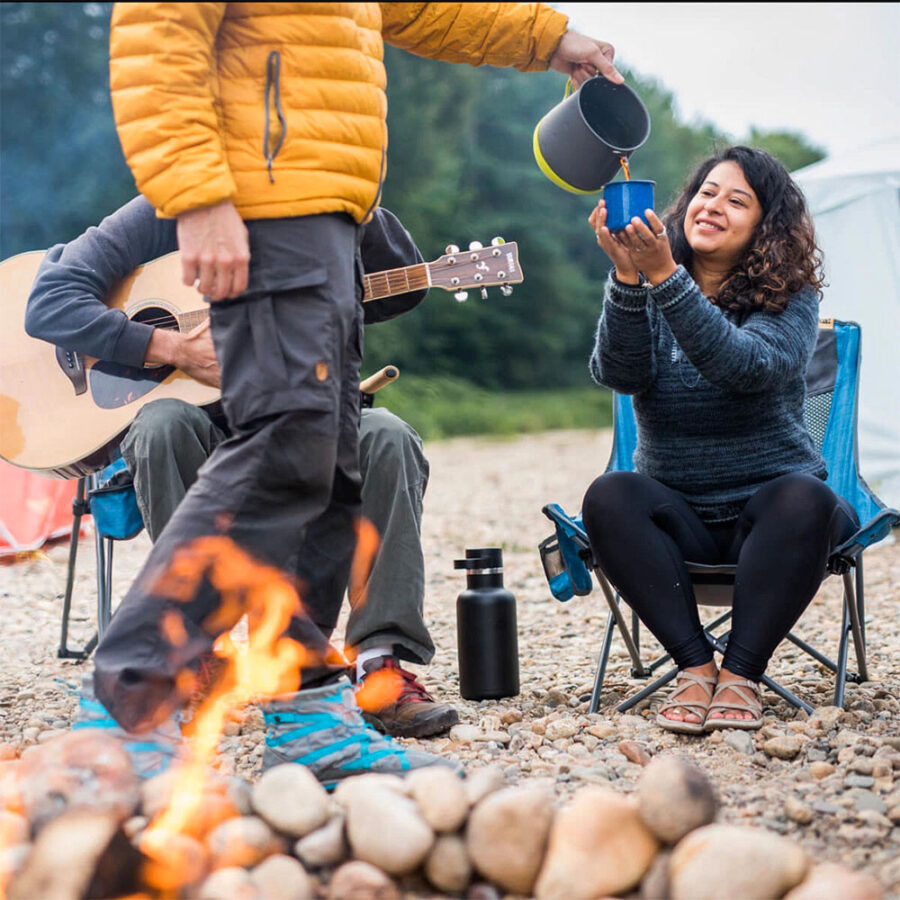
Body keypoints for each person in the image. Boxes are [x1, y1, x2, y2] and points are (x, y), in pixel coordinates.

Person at [91, 3, 622, 784]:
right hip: (270, 194)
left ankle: (306, 711)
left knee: (329, 467)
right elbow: (156, 35)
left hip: (334, 209)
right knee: (281, 445)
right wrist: (197, 196)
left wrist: (545, 39)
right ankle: (132, 690)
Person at [25, 195, 458, 748]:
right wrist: (169, 346)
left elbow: (409, 285)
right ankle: (199, 651)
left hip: (309, 422)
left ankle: (379, 662)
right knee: (160, 424)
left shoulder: (321, 207)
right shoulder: (168, 208)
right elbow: (47, 303)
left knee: (389, 437)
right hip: (201, 436)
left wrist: (364, 205)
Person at [581, 145, 858, 734]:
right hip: (678, 514)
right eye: (706, 192)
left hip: (774, 521)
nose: (713, 206)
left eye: (737, 200)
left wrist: (663, 276)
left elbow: (747, 367)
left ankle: (742, 675)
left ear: (766, 226)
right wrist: (629, 278)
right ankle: (695, 667)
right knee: (610, 494)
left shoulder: (791, 297)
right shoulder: (652, 285)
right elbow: (621, 374)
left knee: (807, 498)